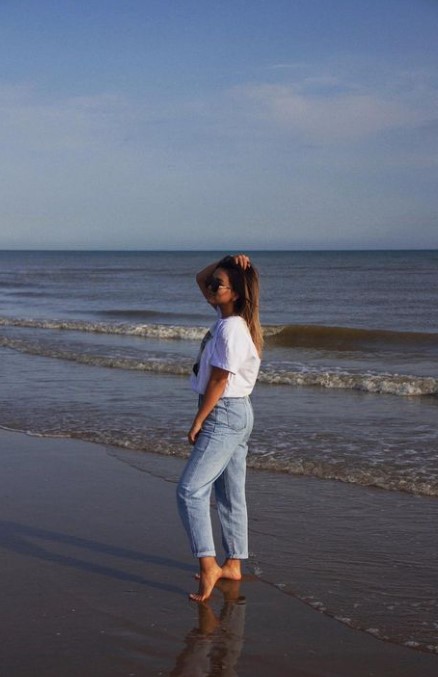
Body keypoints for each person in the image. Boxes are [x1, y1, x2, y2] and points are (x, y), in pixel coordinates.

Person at [176, 253, 263, 602]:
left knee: (189, 491)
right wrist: (227, 260)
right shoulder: (229, 320)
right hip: (237, 412)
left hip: (223, 413)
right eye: (214, 284)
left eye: (219, 285)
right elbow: (200, 277)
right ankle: (234, 564)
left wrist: (199, 419)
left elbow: (219, 380)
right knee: (229, 493)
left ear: (236, 293)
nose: (211, 287)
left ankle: (209, 564)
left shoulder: (231, 328)